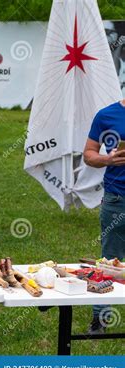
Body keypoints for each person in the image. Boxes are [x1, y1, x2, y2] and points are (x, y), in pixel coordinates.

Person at [83, 98, 125, 334]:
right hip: (118, 199)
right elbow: (89, 154)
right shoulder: (106, 115)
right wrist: (108, 159)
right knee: (110, 261)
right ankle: (101, 318)